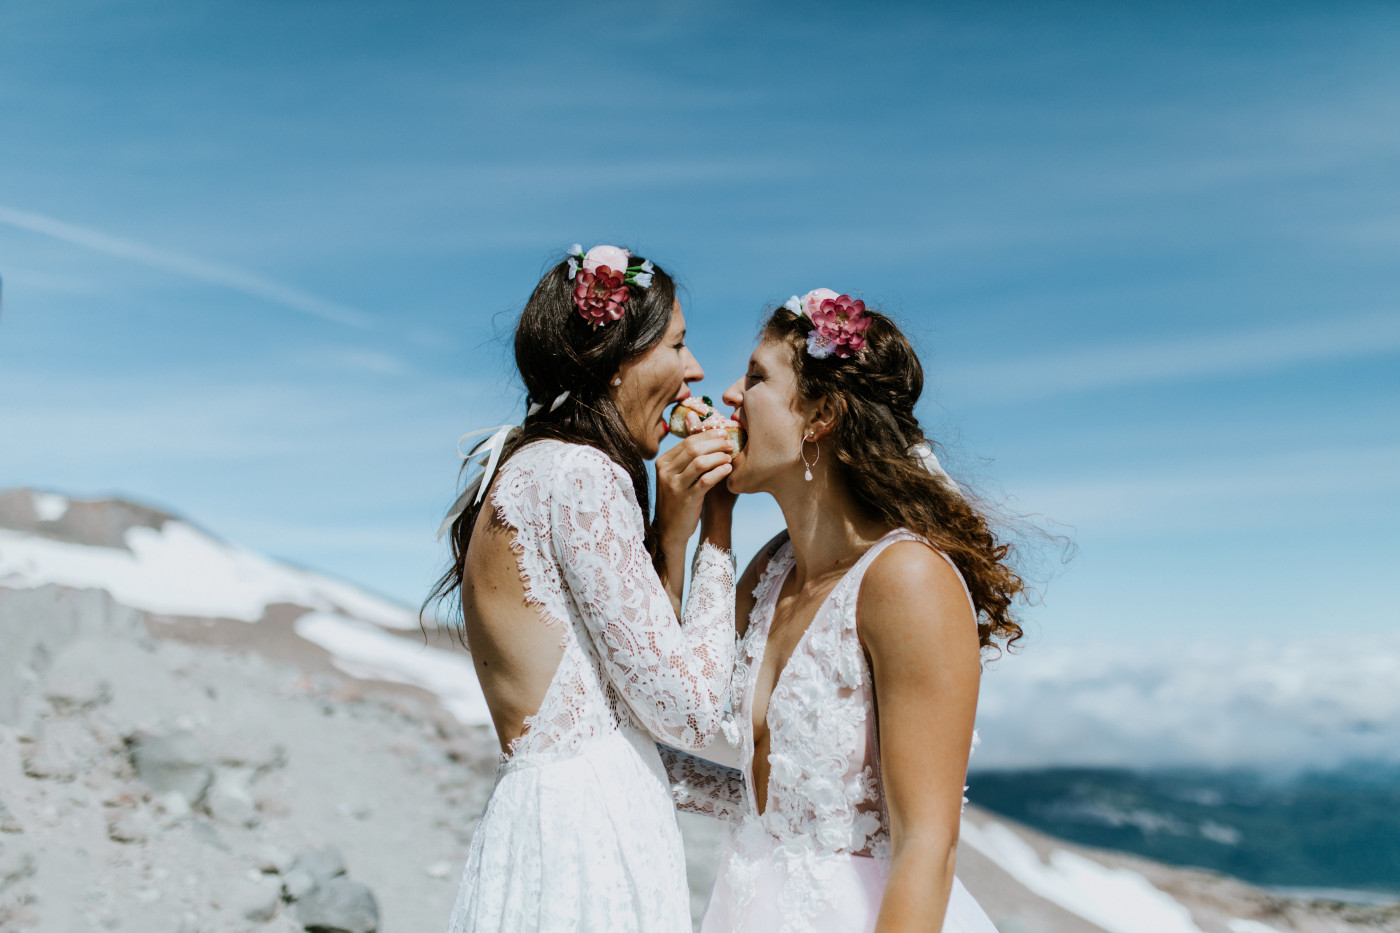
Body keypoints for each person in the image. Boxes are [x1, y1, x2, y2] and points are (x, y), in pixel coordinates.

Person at [665, 289, 1021, 932]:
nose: (727, 396)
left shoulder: (906, 579)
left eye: (756, 378)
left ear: (820, 415)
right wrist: (689, 530)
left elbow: (926, 849)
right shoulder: (770, 576)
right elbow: (672, 708)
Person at [430, 245, 739, 933]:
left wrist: (755, 796)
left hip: (548, 831)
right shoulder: (581, 476)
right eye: (679, 344)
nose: (696, 371)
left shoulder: (523, 470)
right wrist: (717, 529)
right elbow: (686, 710)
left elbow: (616, 721)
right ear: (618, 359)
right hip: (588, 846)